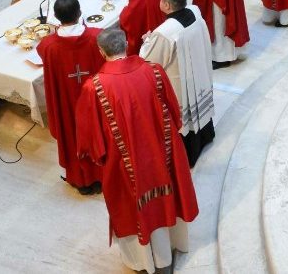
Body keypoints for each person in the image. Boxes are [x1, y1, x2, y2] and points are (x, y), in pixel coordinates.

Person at [74, 29, 199, 274]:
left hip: (125, 164)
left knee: (133, 209)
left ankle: (143, 263)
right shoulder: (154, 71)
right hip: (162, 156)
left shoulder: (95, 87)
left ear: (101, 52)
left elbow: (93, 142)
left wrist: (98, 154)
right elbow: (174, 113)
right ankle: (167, 256)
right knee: (165, 201)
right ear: (127, 45)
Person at [140, 0, 216, 167]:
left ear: (166, 5)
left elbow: (149, 61)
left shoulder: (164, 32)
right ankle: (206, 135)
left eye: (160, 0)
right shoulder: (195, 12)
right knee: (199, 108)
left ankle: (189, 153)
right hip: (198, 72)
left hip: (182, 82)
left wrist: (147, 41)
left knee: (185, 116)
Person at [36, 0, 104, 195]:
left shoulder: (48, 46)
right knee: (97, 134)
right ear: (80, 13)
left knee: (73, 137)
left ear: (56, 17)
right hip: (94, 103)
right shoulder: (97, 37)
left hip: (66, 105)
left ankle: (79, 179)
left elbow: (41, 51)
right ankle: (101, 176)